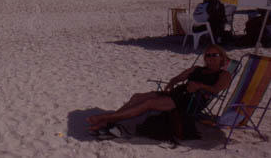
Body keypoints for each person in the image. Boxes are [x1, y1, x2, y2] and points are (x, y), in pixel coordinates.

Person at [86, 44, 231, 131]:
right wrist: (172, 82)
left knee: (148, 103)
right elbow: (178, 78)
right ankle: (109, 120)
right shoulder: (196, 69)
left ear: (221, 57)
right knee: (138, 97)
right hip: (176, 94)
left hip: (189, 102)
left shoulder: (224, 74)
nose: (211, 57)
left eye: (214, 55)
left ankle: (106, 118)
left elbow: (216, 90)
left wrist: (199, 85)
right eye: (208, 55)